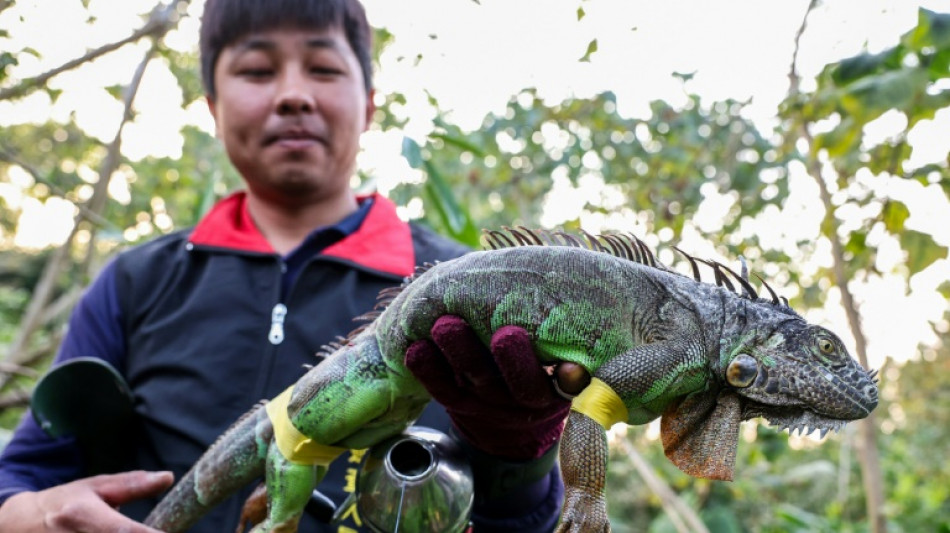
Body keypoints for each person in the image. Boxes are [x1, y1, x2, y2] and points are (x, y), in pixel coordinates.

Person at [0, 0, 573, 531]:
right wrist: (36, 514)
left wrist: (521, 455)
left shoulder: (466, 286)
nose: (293, 95)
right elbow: (22, 476)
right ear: (213, 109)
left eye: (323, 69)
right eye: (256, 71)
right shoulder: (135, 281)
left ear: (370, 104)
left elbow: (533, 517)